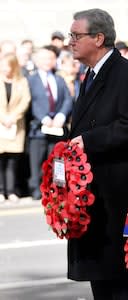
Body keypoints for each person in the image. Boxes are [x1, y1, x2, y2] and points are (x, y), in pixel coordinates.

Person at [67, 8, 128, 300]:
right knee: (101, 282)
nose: (71, 41)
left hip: (117, 197)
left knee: (119, 284)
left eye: (76, 35)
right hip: (95, 195)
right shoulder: (91, 75)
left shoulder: (126, 73)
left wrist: (88, 140)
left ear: (99, 38)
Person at [27, 46, 73, 200]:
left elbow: (67, 99)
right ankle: (36, 188)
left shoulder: (59, 79)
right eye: (44, 58)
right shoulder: (30, 80)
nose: (48, 61)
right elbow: (31, 101)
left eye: (51, 58)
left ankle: (57, 189)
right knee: (37, 160)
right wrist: (43, 118)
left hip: (57, 128)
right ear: (37, 60)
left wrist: (61, 115)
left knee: (57, 160)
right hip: (39, 128)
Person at [0, 53, 31, 203]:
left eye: (7, 65)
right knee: (0, 161)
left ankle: (11, 191)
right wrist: (3, 118)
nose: (4, 68)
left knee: (12, 160)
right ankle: (0, 191)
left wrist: (13, 117)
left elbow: (25, 100)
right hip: (1, 124)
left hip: (15, 126)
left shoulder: (22, 81)